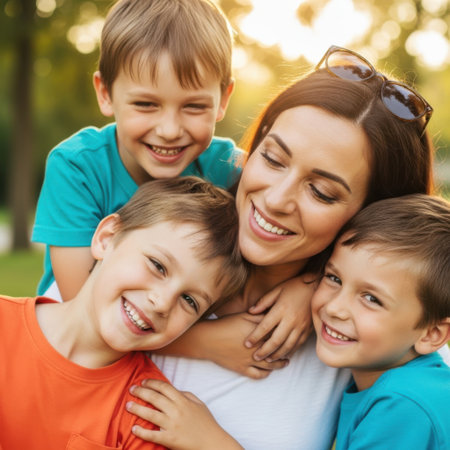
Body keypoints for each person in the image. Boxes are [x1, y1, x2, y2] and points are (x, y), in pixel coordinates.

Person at [126, 46, 447, 449]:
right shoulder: (147, 255)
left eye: (322, 192)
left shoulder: (363, 342)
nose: (277, 199)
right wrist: (203, 341)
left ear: (373, 219)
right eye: (274, 159)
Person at [0, 177, 247, 449]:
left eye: (189, 300)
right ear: (107, 238)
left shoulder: (148, 413)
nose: (162, 303)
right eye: (158, 266)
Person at [31, 0, 240, 301]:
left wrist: (298, 292)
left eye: (194, 106)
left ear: (223, 99)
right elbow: (86, 307)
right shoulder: (78, 167)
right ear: (105, 93)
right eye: (146, 104)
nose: (169, 130)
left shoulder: (229, 168)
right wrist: (227, 343)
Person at [311, 194, 450, 449]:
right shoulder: (407, 385)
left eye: (371, 299)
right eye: (334, 278)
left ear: (431, 334)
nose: (334, 308)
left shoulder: (403, 402)